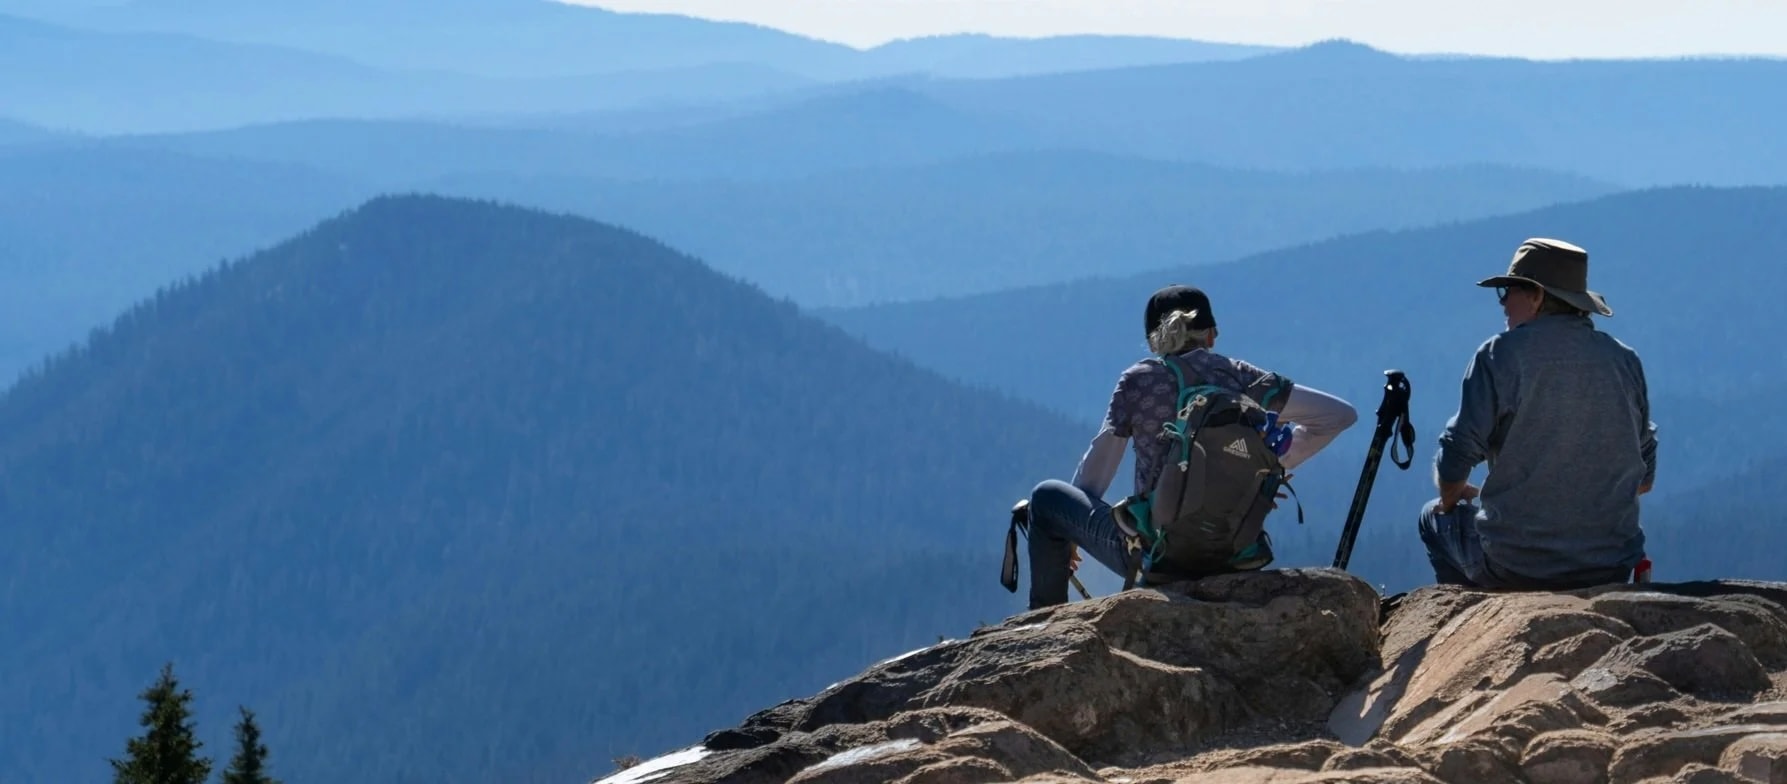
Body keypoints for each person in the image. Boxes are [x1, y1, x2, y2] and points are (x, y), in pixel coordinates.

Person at [1022, 284, 1359, 609]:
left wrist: (1072, 532)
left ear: (1155, 339)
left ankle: (1042, 625)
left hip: (1157, 554)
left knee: (1046, 498)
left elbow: (1095, 477)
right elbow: (1339, 416)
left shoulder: (1139, 380)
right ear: (1211, 334)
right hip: (1234, 549)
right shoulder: (1243, 378)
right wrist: (1274, 464)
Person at [1419, 237, 1658, 590]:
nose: (1502, 305)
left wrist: (1453, 498)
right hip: (1611, 566)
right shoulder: (1624, 359)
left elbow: (1455, 463)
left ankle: (1471, 619)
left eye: (1508, 292)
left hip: (1516, 567)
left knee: (1433, 518)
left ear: (1536, 295)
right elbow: (1644, 479)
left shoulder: (1500, 355)